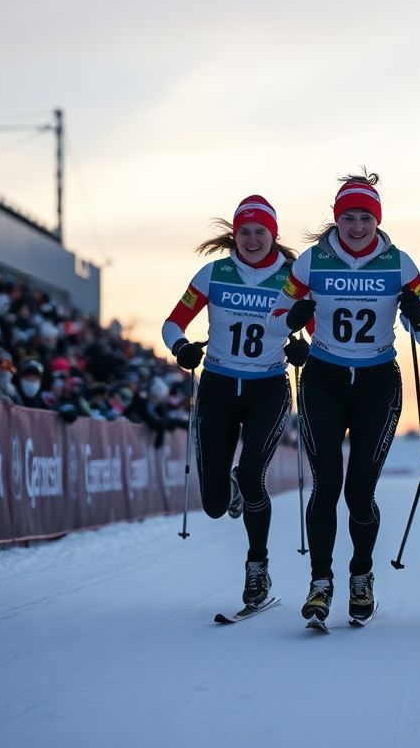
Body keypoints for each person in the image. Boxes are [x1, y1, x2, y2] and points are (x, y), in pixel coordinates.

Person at [267, 173, 420, 625]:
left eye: (366, 218)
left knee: (360, 492)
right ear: (336, 219)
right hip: (323, 380)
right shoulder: (311, 262)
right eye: (349, 217)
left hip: (377, 384)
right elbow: (273, 319)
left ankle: (361, 577)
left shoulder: (400, 264)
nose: (358, 226)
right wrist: (292, 318)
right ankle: (320, 583)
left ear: (377, 220)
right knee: (326, 484)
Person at [162, 195, 304, 609]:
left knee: (254, 475)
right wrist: (182, 348)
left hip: (268, 389)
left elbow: (317, 330)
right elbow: (173, 323)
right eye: (245, 232)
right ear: (234, 235)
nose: (252, 239)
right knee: (213, 505)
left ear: (273, 235)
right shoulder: (213, 274)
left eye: (261, 232)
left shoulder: (293, 279)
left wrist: (304, 351)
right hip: (218, 389)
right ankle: (231, 487)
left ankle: (257, 567)